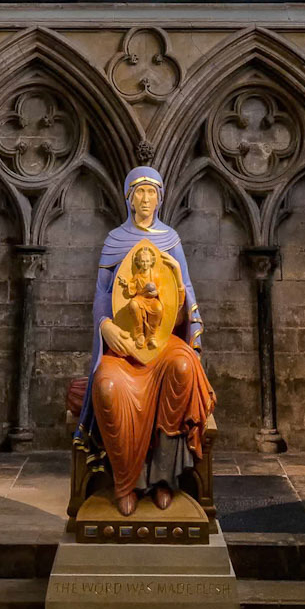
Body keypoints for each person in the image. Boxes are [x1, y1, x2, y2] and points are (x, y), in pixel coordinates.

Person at [77, 165, 215, 516]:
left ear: (160, 198)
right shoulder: (114, 241)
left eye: (152, 192)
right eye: (139, 191)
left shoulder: (171, 240)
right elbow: (101, 295)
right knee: (108, 387)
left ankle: (164, 480)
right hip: (124, 343)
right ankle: (127, 481)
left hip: (162, 341)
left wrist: (178, 303)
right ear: (128, 197)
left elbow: (183, 296)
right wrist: (105, 325)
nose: (145, 199)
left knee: (182, 367)